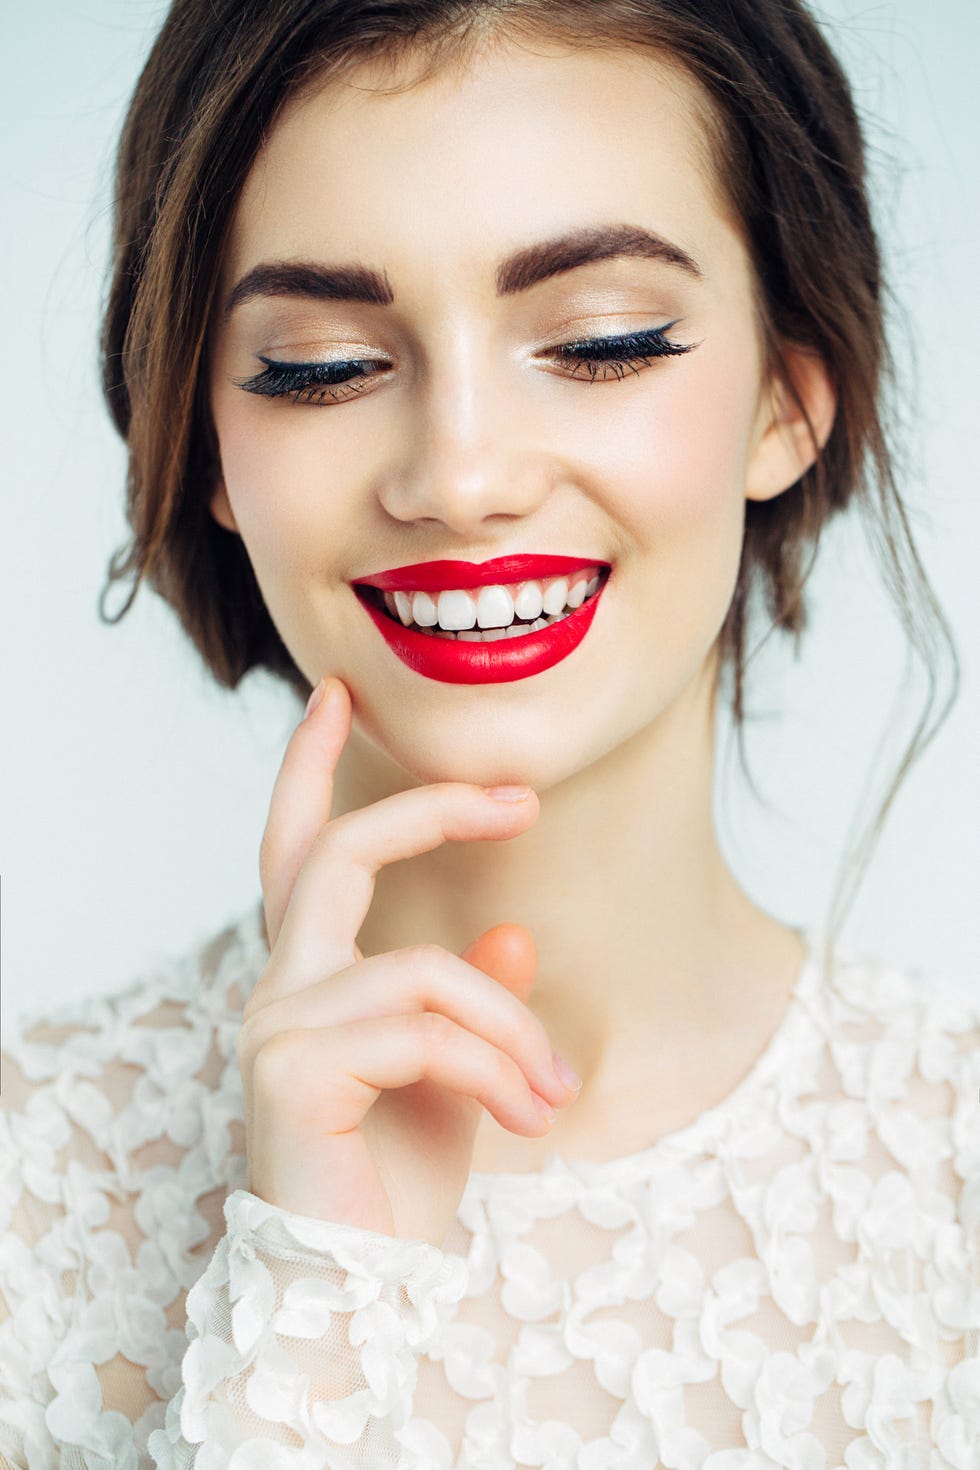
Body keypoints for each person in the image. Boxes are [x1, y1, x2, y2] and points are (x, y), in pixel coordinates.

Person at [1, 0, 977, 1465]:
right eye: (322, 364)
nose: (459, 475)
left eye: (600, 341)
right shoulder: (33, 1183)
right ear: (205, 446)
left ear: (788, 397)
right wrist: (311, 1301)